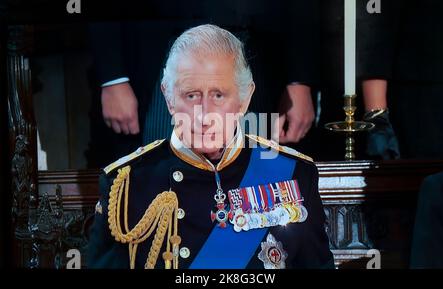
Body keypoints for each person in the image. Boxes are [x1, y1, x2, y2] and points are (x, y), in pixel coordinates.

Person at [87, 24, 334, 269]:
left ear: (245, 98)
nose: (204, 116)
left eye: (218, 95)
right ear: (168, 98)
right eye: (191, 95)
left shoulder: (294, 174)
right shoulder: (127, 185)